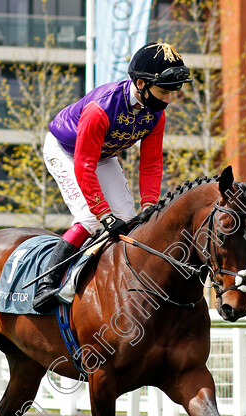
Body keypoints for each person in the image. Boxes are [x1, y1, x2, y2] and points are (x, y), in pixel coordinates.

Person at [33, 42, 192, 312]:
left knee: (130, 220)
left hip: (103, 155)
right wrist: (104, 214)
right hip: (66, 152)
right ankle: (46, 282)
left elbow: (151, 162)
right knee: (90, 217)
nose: (167, 100)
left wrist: (150, 203)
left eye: (172, 92)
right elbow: (84, 166)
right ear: (141, 83)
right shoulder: (100, 109)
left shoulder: (156, 115)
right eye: (163, 91)